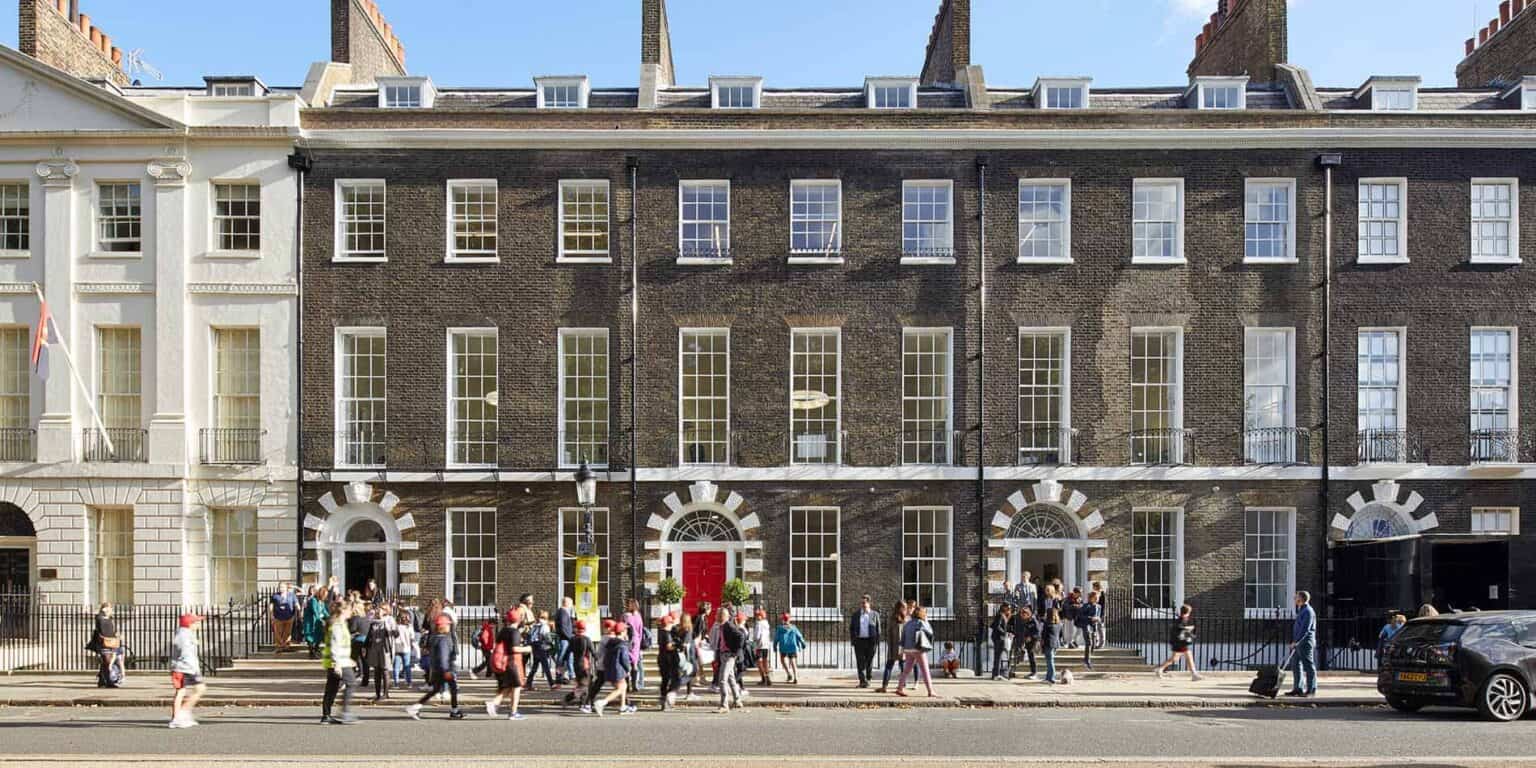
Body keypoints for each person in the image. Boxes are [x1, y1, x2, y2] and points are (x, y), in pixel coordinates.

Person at [406, 615, 463, 720]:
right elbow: (443, 655)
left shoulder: (434, 638)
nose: (449, 627)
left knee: (435, 690)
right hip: (445, 669)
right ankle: (454, 711)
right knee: (453, 689)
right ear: (442, 626)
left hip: (436, 669)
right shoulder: (444, 639)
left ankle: (415, 707)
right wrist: (446, 670)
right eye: (447, 625)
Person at [487, 607, 528, 720]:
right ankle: (513, 713)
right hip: (511, 663)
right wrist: (527, 649)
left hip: (502, 662)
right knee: (517, 687)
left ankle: (494, 703)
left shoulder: (503, 631)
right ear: (518, 620)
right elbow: (514, 649)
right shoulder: (514, 632)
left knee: (509, 687)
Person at [321, 601, 359, 725]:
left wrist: (348, 659)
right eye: (349, 610)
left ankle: (326, 715)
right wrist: (337, 663)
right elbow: (334, 645)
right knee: (351, 683)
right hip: (338, 662)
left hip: (338, 661)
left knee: (331, 689)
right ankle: (345, 712)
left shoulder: (340, 624)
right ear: (343, 611)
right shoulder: (337, 625)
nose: (351, 612)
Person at [168, 613, 206, 728]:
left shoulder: (183, 633)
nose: (199, 624)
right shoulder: (184, 636)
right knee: (200, 689)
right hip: (186, 668)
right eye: (197, 622)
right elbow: (185, 653)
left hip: (181, 667)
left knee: (180, 692)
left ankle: (176, 718)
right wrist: (194, 669)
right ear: (190, 624)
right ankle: (182, 714)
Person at [895, 605, 936, 698]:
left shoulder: (907, 623)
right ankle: (931, 691)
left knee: (906, 670)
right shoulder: (921, 622)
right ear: (922, 614)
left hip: (908, 649)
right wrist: (926, 620)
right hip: (918, 649)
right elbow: (931, 632)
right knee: (925, 670)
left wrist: (902, 649)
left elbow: (902, 638)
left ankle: (899, 688)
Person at [1154, 604, 1201, 681]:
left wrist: (1188, 630)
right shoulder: (1182, 619)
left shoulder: (1182, 619)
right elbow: (1179, 628)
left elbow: (1179, 628)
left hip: (1177, 642)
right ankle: (1194, 674)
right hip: (1179, 642)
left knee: (1174, 658)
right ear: (1188, 612)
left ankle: (1159, 669)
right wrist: (1189, 628)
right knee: (1188, 655)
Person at [595, 619, 633, 717]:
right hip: (618, 669)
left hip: (610, 668)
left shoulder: (611, 642)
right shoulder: (622, 645)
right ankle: (602, 702)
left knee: (622, 687)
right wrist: (628, 669)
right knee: (621, 688)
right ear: (623, 632)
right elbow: (624, 659)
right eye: (626, 630)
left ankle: (623, 706)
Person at [1286, 590, 1317, 698]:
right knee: (1296, 665)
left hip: (1305, 642)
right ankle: (1298, 688)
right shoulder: (1302, 610)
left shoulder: (1308, 611)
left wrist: (1296, 641)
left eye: (1296, 597)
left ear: (1301, 599)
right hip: (1299, 642)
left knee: (1308, 665)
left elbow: (1305, 629)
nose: (1294, 598)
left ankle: (1311, 690)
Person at [715, 610, 747, 713]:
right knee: (731, 679)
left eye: (717, 614)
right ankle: (737, 701)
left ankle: (724, 705)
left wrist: (735, 652)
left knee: (722, 680)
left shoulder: (728, 626)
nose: (715, 616)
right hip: (724, 654)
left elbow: (741, 636)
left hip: (729, 655)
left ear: (722, 616)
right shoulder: (722, 626)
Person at [847, 594, 881, 688]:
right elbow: (851, 628)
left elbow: (878, 629)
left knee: (869, 661)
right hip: (859, 641)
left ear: (869, 603)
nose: (862, 604)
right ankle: (862, 681)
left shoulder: (875, 614)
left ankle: (868, 679)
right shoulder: (856, 615)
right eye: (861, 603)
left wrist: (876, 641)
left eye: (864, 602)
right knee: (860, 661)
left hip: (871, 641)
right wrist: (853, 640)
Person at [876, 600, 908, 693]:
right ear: (900, 608)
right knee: (901, 667)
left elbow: (889, 634)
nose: (905, 609)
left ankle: (885, 686)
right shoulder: (903, 619)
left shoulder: (893, 619)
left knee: (891, 666)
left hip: (895, 646)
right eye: (904, 608)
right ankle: (901, 686)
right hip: (901, 646)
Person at [364, 604, 395, 701]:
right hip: (374, 649)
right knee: (376, 671)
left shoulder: (389, 621)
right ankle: (377, 694)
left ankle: (385, 693)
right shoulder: (373, 623)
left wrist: (389, 629)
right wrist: (365, 647)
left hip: (384, 649)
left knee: (385, 670)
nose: (378, 611)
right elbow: (369, 636)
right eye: (378, 610)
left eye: (381, 610)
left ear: (385, 612)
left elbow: (396, 633)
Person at [89, 602, 123, 688]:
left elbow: (112, 630)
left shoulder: (110, 618)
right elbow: (101, 627)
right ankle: (109, 681)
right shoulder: (99, 618)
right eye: (108, 607)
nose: (110, 610)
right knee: (107, 661)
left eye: (110, 608)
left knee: (105, 662)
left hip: (111, 642)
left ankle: (102, 680)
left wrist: (117, 635)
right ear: (104, 608)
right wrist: (103, 613)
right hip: (103, 642)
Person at [563, 619, 595, 710]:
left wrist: (562, 663)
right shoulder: (587, 639)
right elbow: (593, 652)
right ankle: (569, 697)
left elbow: (567, 653)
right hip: (585, 665)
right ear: (584, 629)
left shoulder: (572, 639)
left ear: (577, 628)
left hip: (576, 664)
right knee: (584, 685)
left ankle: (583, 703)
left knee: (584, 684)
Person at [656, 613, 683, 710]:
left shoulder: (661, 632)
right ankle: (668, 699)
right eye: (671, 623)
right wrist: (678, 645)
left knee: (665, 680)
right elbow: (669, 646)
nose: (673, 624)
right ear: (668, 623)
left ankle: (663, 701)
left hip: (662, 659)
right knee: (675, 679)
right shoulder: (666, 633)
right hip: (669, 660)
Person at [621, 597, 647, 693]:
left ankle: (627, 687)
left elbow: (622, 628)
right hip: (636, 641)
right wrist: (639, 643)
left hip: (627, 641)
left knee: (626, 664)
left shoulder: (625, 616)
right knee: (635, 664)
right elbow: (640, 630)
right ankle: (635, 686)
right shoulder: (639, 616)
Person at [527, 610, 556, 690]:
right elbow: (547, 637)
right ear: (546, 618)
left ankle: (528, 683)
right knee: (546, 666)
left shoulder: (535, 625)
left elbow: (530, 635)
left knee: (534, 666)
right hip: (542, 647)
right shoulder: (544, 626)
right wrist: (551, 643)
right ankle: (552, 684)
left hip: (535, 646)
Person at [774, 613, 806, 684]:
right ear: (789, 619)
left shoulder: (780, 628)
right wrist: (803, 643)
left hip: (783, 646)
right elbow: (799, 636)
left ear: (782, 619)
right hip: (792, 646)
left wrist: (775, 646)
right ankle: (795, 677)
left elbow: (776, 638)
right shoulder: (793, 628)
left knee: (783, 660)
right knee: (793, 662)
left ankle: (789, 674)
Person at [1011, 605, 1040, 679]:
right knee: (1030, 657)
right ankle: (1032, 672)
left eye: (1023, 615)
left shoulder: (1033, 620)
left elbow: (1037, 632)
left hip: (1033, 642)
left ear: (1027, 614)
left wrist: (1031, 637)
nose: (1022, 617)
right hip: (1028, 642)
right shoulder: (1026, 621)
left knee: (1032, 658)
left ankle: (1035, 673)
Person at [302, 587, 330, 659]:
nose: (326, 596)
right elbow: (315, 612)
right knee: (310, 636)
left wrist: (330, 618)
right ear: (321, 594)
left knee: (319, 635)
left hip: (317, 622)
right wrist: (321, 620)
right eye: (325, 595)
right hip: (310, 621)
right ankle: (312, 653)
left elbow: (324, 611)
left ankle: (316, 649)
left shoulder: (321, 601)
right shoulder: (313, 600)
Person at [1077, 590, 1102, 669]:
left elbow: (1098, 616)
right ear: (1091, 598)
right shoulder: (1085, 606)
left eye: (1097, 598)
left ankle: (1088, 657)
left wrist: (1098, 619)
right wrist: (1091, 618)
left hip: (1094, 626)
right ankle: (1087, 661)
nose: (1096, 599)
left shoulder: (1099, 606)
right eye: (1095, 598)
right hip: (1086, 625)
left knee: (1093, 644)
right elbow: (1081, 616)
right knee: (1089, 642)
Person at [270, 583, 298, 654]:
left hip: (289, 617)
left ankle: (286, 646)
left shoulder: (291, 595)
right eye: (280, 587)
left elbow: (296, 603)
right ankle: (279, 647)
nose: (281, 588)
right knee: (278, 633)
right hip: (278, 617)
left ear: (286, 588)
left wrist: (298, 608)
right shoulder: (275, 596)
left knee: (287, 633)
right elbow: (271, 606)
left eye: (282, 587)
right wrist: (271, 615)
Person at [393, 608, 417, 689]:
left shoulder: (396, 626)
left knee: (396, 667)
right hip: (406, 649)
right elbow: (412, 638)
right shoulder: (409, 627)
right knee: (407, 666)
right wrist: (415, 647)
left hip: (396, 649)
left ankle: (396, 683)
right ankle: (409, 683)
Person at [554, 596, 576, 684]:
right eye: (571, 603)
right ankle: (560, 675)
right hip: (564, 639)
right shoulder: (562, 612)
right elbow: (563, 627)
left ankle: (571, 675)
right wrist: (569, 637)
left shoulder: (564, 612)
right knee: (562, 658)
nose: (572, 605)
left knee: (569, 657)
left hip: (566, 639)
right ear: (566, 603)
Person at [989, 604, 1014, 680]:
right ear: (1004, 607)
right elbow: (997, 626)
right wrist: (1005, 633)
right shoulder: (1000, 615)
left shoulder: (1000, 615)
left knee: (997, 656)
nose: (1009, 609)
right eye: (1008, 608)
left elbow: (993, 625)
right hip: (999, 638)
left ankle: (995, 674)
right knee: (998, 656)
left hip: (998, 637)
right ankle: (996, 674)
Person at [750, 609, 774, 686]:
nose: (756, 616)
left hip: (759, 645)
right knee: (765, 661)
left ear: (760, 616)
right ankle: (768, 677)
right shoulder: (766, 623)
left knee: (759, 662)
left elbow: (757, 636)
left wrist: (753, 639)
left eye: (757, 615)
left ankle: (763, 678)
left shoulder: (759, 624)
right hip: (766, 645)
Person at [1040, 606, 1061, 684]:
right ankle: (1048, 677)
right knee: (1050, 661)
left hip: (1048, 643)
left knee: (1049, 661)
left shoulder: (1047, 623)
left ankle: (1051, 677)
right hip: (1055, 644)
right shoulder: (1058, 623)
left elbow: (1044, 634)